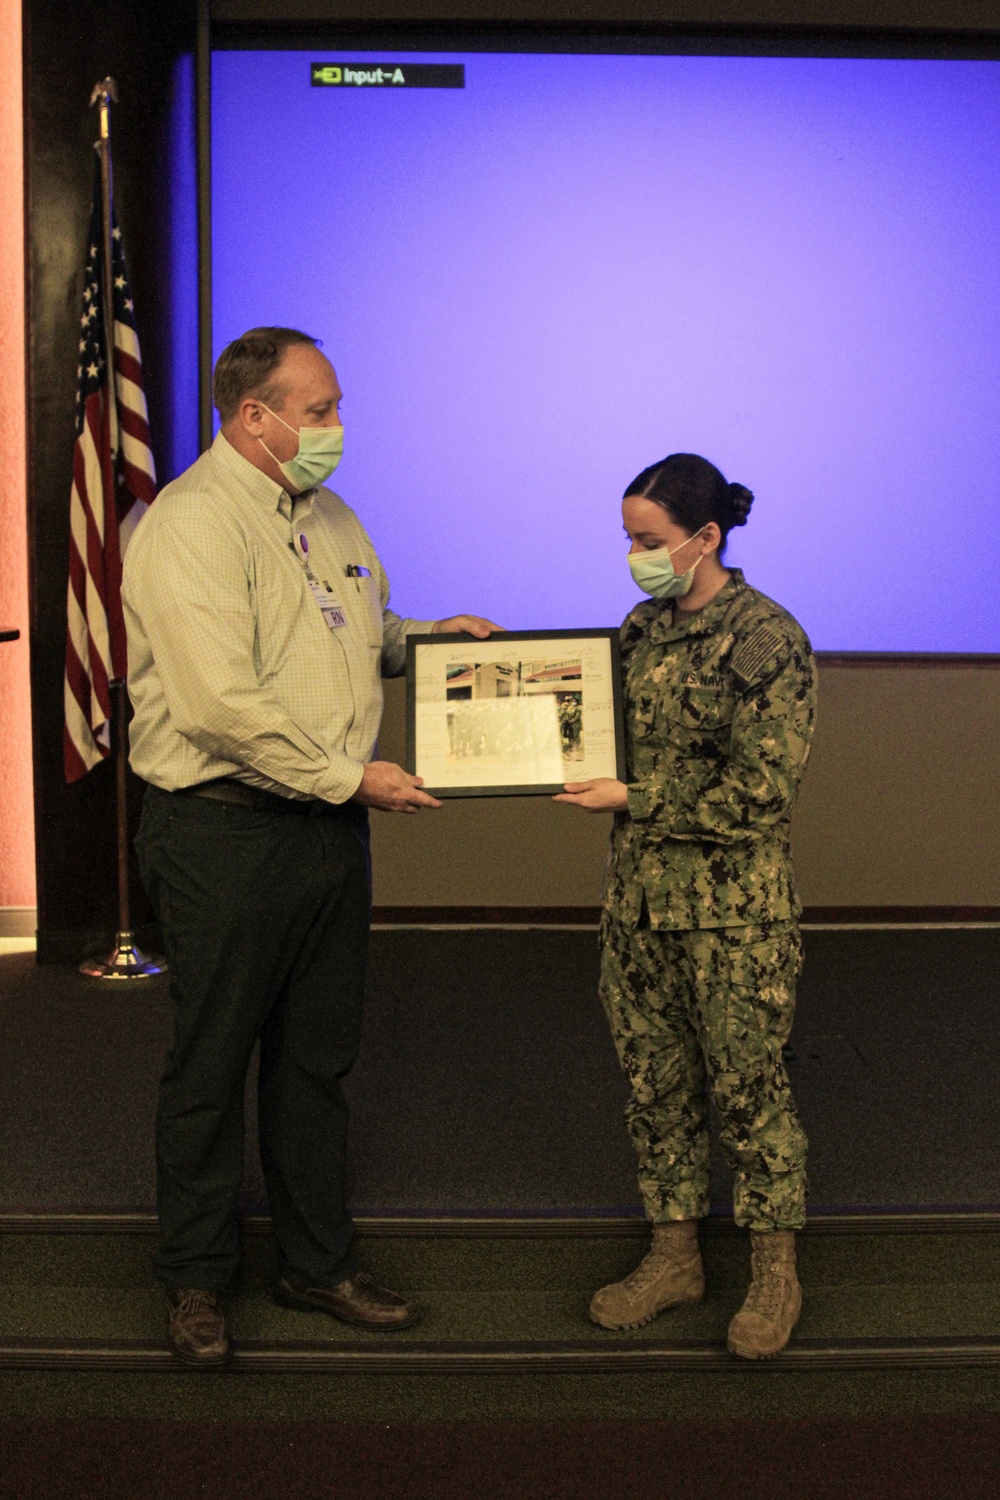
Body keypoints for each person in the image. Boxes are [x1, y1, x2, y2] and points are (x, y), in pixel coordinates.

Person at [122, 327, 499, 1366]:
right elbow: (218, 706)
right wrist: (351, 777)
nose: (336, 427)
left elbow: (350, 630)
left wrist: (429, 639)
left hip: (325, 832)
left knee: (315, 1063)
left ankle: (315, 1262)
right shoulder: (190, 527)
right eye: (319, 409)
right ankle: (195, 1282)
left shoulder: (327, 512)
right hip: (223, 834)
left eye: (334, 408)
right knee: (209, 1063)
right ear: (255, 417)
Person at [554, 453, 816, 1359]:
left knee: (750, 1094)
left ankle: (773, 1271)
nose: (634, 554)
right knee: (655, 1091)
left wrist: (636, 796)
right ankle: (675, 1257)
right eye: (628, 537)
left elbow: (759, 790)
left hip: (733, 920)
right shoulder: (637, 630)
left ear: (706, 539)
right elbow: (588, 733)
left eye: (649, 540)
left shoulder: (768, 639)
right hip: (637, 913)